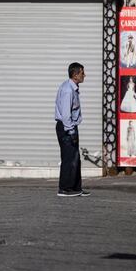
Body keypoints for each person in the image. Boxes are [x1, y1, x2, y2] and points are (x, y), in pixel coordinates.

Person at [54, 62, 90, 197]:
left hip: (70, 127)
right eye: (82, 73)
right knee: (69, 158)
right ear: (75, 75)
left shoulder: (72, 87)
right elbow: (65, 114)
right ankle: (64, 189)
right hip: (66, 128)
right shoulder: (68, 90)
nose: (84, 75)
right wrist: (71, 131)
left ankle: (75, 188)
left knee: (75, 158)